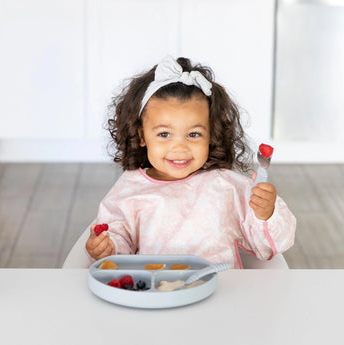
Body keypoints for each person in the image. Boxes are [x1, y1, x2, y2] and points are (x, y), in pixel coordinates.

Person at [85, 55, 296, 268]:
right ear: (141, 136)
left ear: (211, 135)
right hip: (156, 294)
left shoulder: (227, 187)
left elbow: (269, 246)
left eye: (194, 134)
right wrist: (107, 246)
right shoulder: (129, 188)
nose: (179, 148)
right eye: (164, 134)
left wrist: (265, 214)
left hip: (220, 294)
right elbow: (117, 235)